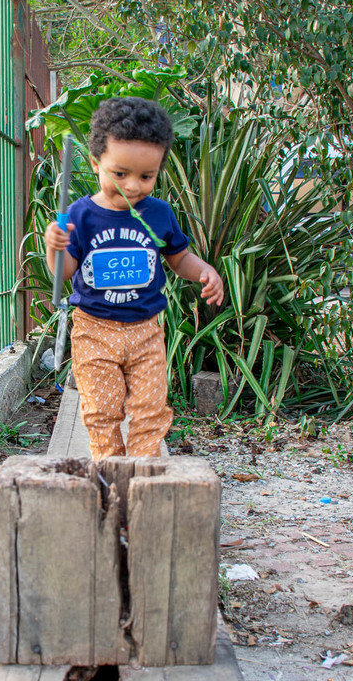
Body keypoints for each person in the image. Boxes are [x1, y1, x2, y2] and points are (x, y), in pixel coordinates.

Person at [43, 97, 224, 460]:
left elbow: (178, 259)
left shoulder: (158, 214)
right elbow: (63, 275)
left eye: (147, 176)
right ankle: (110, 474)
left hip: (146, 332)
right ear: (96, 163)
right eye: (120, 174)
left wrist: (204, 270)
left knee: (150, 409)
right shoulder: (81, 215)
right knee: (102, 412)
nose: (133, 186)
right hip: (94, 331)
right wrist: (54, 247)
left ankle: (144, 475)